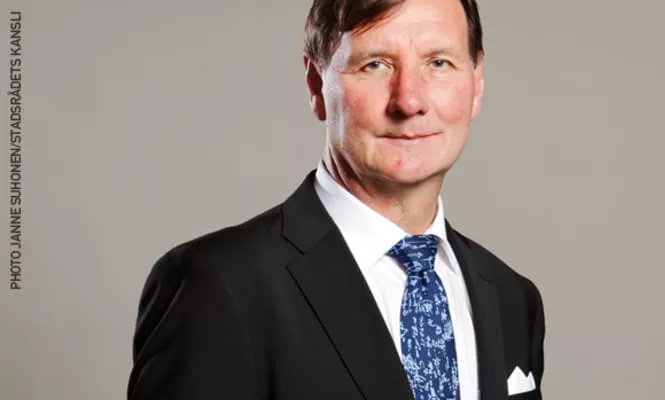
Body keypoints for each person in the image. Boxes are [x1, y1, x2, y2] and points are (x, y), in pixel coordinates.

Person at [127, 0, 545, 399]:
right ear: (316, 84)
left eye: (438, 63)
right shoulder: (219, 286)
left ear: (476, 82)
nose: (409, 100)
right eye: (375, 64)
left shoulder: (511, 298)